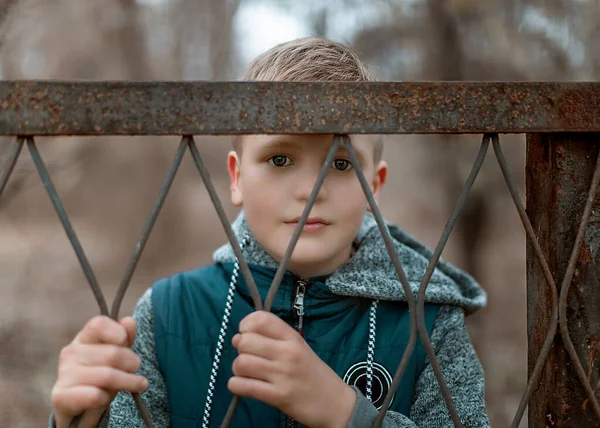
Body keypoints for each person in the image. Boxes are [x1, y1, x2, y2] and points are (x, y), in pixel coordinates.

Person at [50, 37, 489, 428]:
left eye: (340, 164)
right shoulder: (167, 313)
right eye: (280, 159)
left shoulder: (430, 321)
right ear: (236, 178)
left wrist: (347, 413)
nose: (308, 190)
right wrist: (80, 421)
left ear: (374, 185)